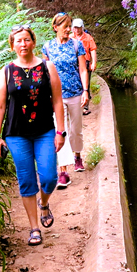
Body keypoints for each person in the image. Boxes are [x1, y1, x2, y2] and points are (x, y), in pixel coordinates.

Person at [0, 25, 67, 247]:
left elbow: (57, 101)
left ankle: (44, 203)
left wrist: (61, 131)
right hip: (16, 134)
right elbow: (0, 106)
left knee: (49, 178)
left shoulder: (47, 67)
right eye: (18, 41)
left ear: (33, 42)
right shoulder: (6, 71)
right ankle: (34, 227)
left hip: (44, 130)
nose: (22, 44)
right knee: (26, 180)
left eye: (26, 40)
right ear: (12, 46)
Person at [42, 13, 89, 181]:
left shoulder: (77, 45)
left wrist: (85, 90)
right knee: (60, 131)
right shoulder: (47, 47)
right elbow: (45, 74)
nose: (69, 29)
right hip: (56, 97)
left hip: (75, 93)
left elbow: (83, 69)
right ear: (55, 28)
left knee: (76, 130)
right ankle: (63, 170)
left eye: (70, 26)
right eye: (65, 26)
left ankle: (77, 156)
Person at [72, 19, 97, 115]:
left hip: (85, 63)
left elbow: (93, 50)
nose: (77, 30)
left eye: (78, 28)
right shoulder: (71, 38)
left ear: (82, 27)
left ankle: (85, 106)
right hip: (74, 63)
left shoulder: (88, 37)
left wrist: (93, 62)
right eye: (75, 28)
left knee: (85, 84)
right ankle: (76, 105)